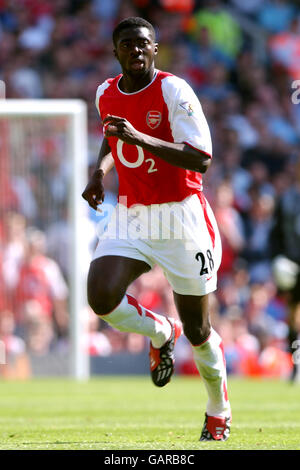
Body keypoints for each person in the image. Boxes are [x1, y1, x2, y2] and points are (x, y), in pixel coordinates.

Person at [82, 16, 231, 441]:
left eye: (142, 43)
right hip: (132, 213)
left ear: (155, 49)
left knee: (200, 330)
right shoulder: (105, 93)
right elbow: (113, 137)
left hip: (181, 215)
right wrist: (98, 172)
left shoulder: (173, 90)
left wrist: (141, 139)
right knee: (101, 296)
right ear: (115, 52)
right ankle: (161, 331)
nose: (135, 49)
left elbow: (201, 159)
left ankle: (218, 407)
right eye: (126, 43)